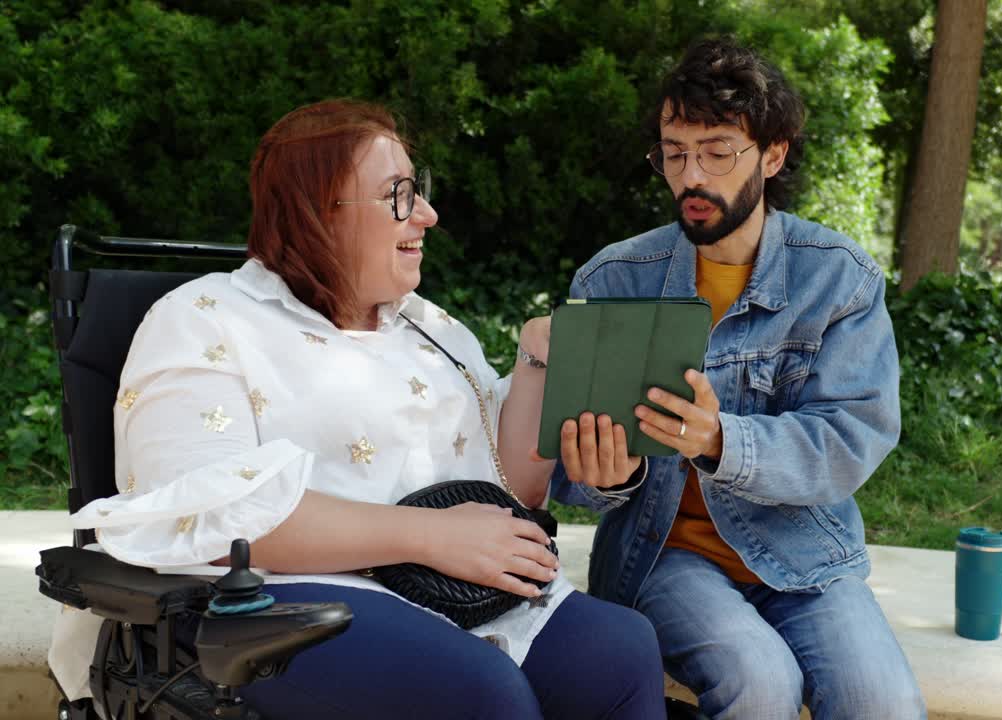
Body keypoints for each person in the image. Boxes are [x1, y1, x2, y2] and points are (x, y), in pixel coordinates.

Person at [49, 99, 664, 720]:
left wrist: (537, 366)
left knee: (621, 652)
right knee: (476, 693)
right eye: (398, 195)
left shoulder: (432, 330)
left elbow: (511, 487)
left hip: (449, 592)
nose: (427, 214)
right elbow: (214, 515)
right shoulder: (203, 321)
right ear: (318, 215)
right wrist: (427, 537)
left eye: (416, 190)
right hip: (278, 602)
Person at [552, 39, 927, 719]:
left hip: (805, 553)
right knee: (760, 683)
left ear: (773, 154)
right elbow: (576, 480)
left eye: (718, 152)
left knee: (885, 703)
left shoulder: (838, 278)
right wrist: (605, 474)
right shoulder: (613, 281)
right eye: (674, 152)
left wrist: (721, 440)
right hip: (661, 557)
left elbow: (849, 440)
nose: (692, 176)